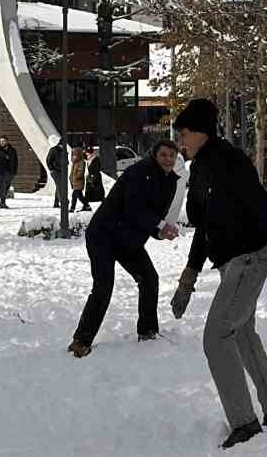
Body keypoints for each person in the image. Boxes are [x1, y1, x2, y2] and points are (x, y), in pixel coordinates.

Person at [169, 98, 267, 449]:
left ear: (200, 132)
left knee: (216, 337)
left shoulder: (229, 160)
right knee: (241, 334)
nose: (180, 142)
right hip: (231, 266)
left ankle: (244, 423)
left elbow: (263, 206)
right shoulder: (200, 169)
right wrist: (187, 280)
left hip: (249, 260)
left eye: (184, 134)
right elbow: (204, 231)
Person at [69, 140, 182, 357]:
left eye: (172, 156)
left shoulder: (170, 182)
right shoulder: (138, 172)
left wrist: (160, 232)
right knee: (103, 287)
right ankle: (80, 341)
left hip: (128, 239)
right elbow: (134, 208)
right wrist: (159, 226)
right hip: (104, 234)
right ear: (154, 155)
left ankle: (148, 331)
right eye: (164, 155)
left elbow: (152, 216)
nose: (168, 160)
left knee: (149, 278)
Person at [0, 136, 19, 209]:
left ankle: (2, 202)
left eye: (3, 141)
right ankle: (2, 202)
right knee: (1, 188)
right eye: (1, 141)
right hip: (0, 172)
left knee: (6, 188)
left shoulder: (12, 150)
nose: (2, 142)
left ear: (7, 141)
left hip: (9, 172)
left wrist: (14, 171)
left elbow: (16, 161)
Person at [46, 137, 68, 208]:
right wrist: (52, 169)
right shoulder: (53, 150)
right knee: (60, 186)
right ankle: (63, 202)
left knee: (59, 186)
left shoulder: (64, 151)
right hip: (55, 171)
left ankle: (56, 203)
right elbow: (48, 160)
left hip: (61, 171)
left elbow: (66, 161)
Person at [69, 146, 90, 212]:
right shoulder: (75, 162)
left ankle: (87, 206)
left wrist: (75, 178)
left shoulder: (81, 162)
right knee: (75, 195)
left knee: (78, 195)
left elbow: (81, 172)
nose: (74, 156)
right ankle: (73, 208)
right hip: (74, 181)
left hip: (78, 181)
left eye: (75, 154)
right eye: (73, 154)